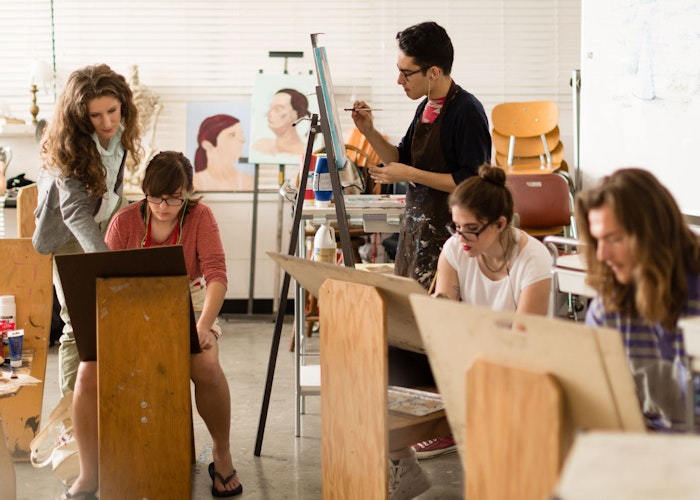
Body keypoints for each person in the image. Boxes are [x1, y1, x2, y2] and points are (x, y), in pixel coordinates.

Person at [64, 151, 242, 499]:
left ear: (188, 191)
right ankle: (89, 474)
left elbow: (217, 276)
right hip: (129, 305)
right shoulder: (125, 220)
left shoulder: (200, 217)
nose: (164, 206)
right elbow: (104, 278)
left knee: (208, 370)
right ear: (144, 190)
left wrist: (203, 325)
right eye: (156, 197)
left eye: (175, 198)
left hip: (187, 305)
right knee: (87, 373)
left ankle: (222, 455)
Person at [387, 164, 552, 499]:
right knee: (385, 359)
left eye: (471, 229)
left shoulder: (533, 259)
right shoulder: (455, 248)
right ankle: (402, 463)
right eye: (456, 227)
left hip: (512, 359)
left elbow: (522, 337)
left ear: (500, 224)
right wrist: (433, 309)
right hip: (467, 351)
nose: (460, 238)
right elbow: (444, 308)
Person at [351, 20, 492, 291]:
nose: (399, 80)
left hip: (451, 234)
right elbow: (400, 158)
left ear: (434, 72)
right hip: (418, 229)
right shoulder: (427, 106)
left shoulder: (467, 112)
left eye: (406, 73)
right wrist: (368, 131)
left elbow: (472, 181)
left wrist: (410, 175)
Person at [32, 64, 142, 397]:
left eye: (112, 110)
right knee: (77, 324)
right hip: (67, 234)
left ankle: (104, 399)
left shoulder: (121, 130)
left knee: (113, 318)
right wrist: (104, 262)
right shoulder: (69, 148)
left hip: (104, 224)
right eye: (96, 116)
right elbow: (75, 213)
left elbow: (112, 186)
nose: (108, 122)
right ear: (80, 116)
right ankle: (70, 416)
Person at [576, 167, 700, 432]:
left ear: (653, 233)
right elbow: (603, 410)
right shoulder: (607, 311)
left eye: (614, 239)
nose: (602, 255)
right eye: (598, 240)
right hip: (646, 452)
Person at [193, 114, 252, 191]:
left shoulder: (249, 182)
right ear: (208, 145)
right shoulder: (195, 183)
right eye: (232, 135)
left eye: (241, 134)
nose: (243, 139)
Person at [252, 88, 309, 156]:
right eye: (271, 108)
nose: (268, 113)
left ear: (295, 115)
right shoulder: (260, 146)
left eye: (277, 109)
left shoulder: (303, 152)